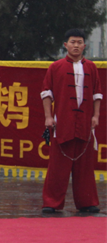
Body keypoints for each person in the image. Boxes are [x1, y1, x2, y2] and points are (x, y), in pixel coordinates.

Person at [40, 29, 101, 214]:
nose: (76, 45)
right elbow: (46, 93)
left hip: (84, 122)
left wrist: (96, 116)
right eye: (72, 42)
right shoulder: (55, 67)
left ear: (84, 45)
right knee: (58, 165)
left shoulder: (91, 67)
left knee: (85, 165)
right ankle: (51, 202)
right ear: (65, 45)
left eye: (79, 42)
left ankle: (87, 201)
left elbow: (97, 94)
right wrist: (48, 116)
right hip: (63, 122)